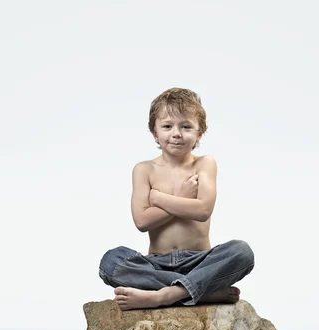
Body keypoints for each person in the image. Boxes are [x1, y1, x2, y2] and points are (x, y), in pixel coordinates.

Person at [99, 87, 255, 311]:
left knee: (242, 252)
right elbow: (142, 221)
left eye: (186, 126)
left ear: (199, 133)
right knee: (111, 262)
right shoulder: (144, 169)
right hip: (156, 263)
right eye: (167, 126)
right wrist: (182, 197)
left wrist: (159, 198)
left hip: (200, 262)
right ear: (155, 132)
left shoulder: (204, 164)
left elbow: (202, 211)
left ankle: (165, 295)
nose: (176, 133)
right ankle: (199, 292)